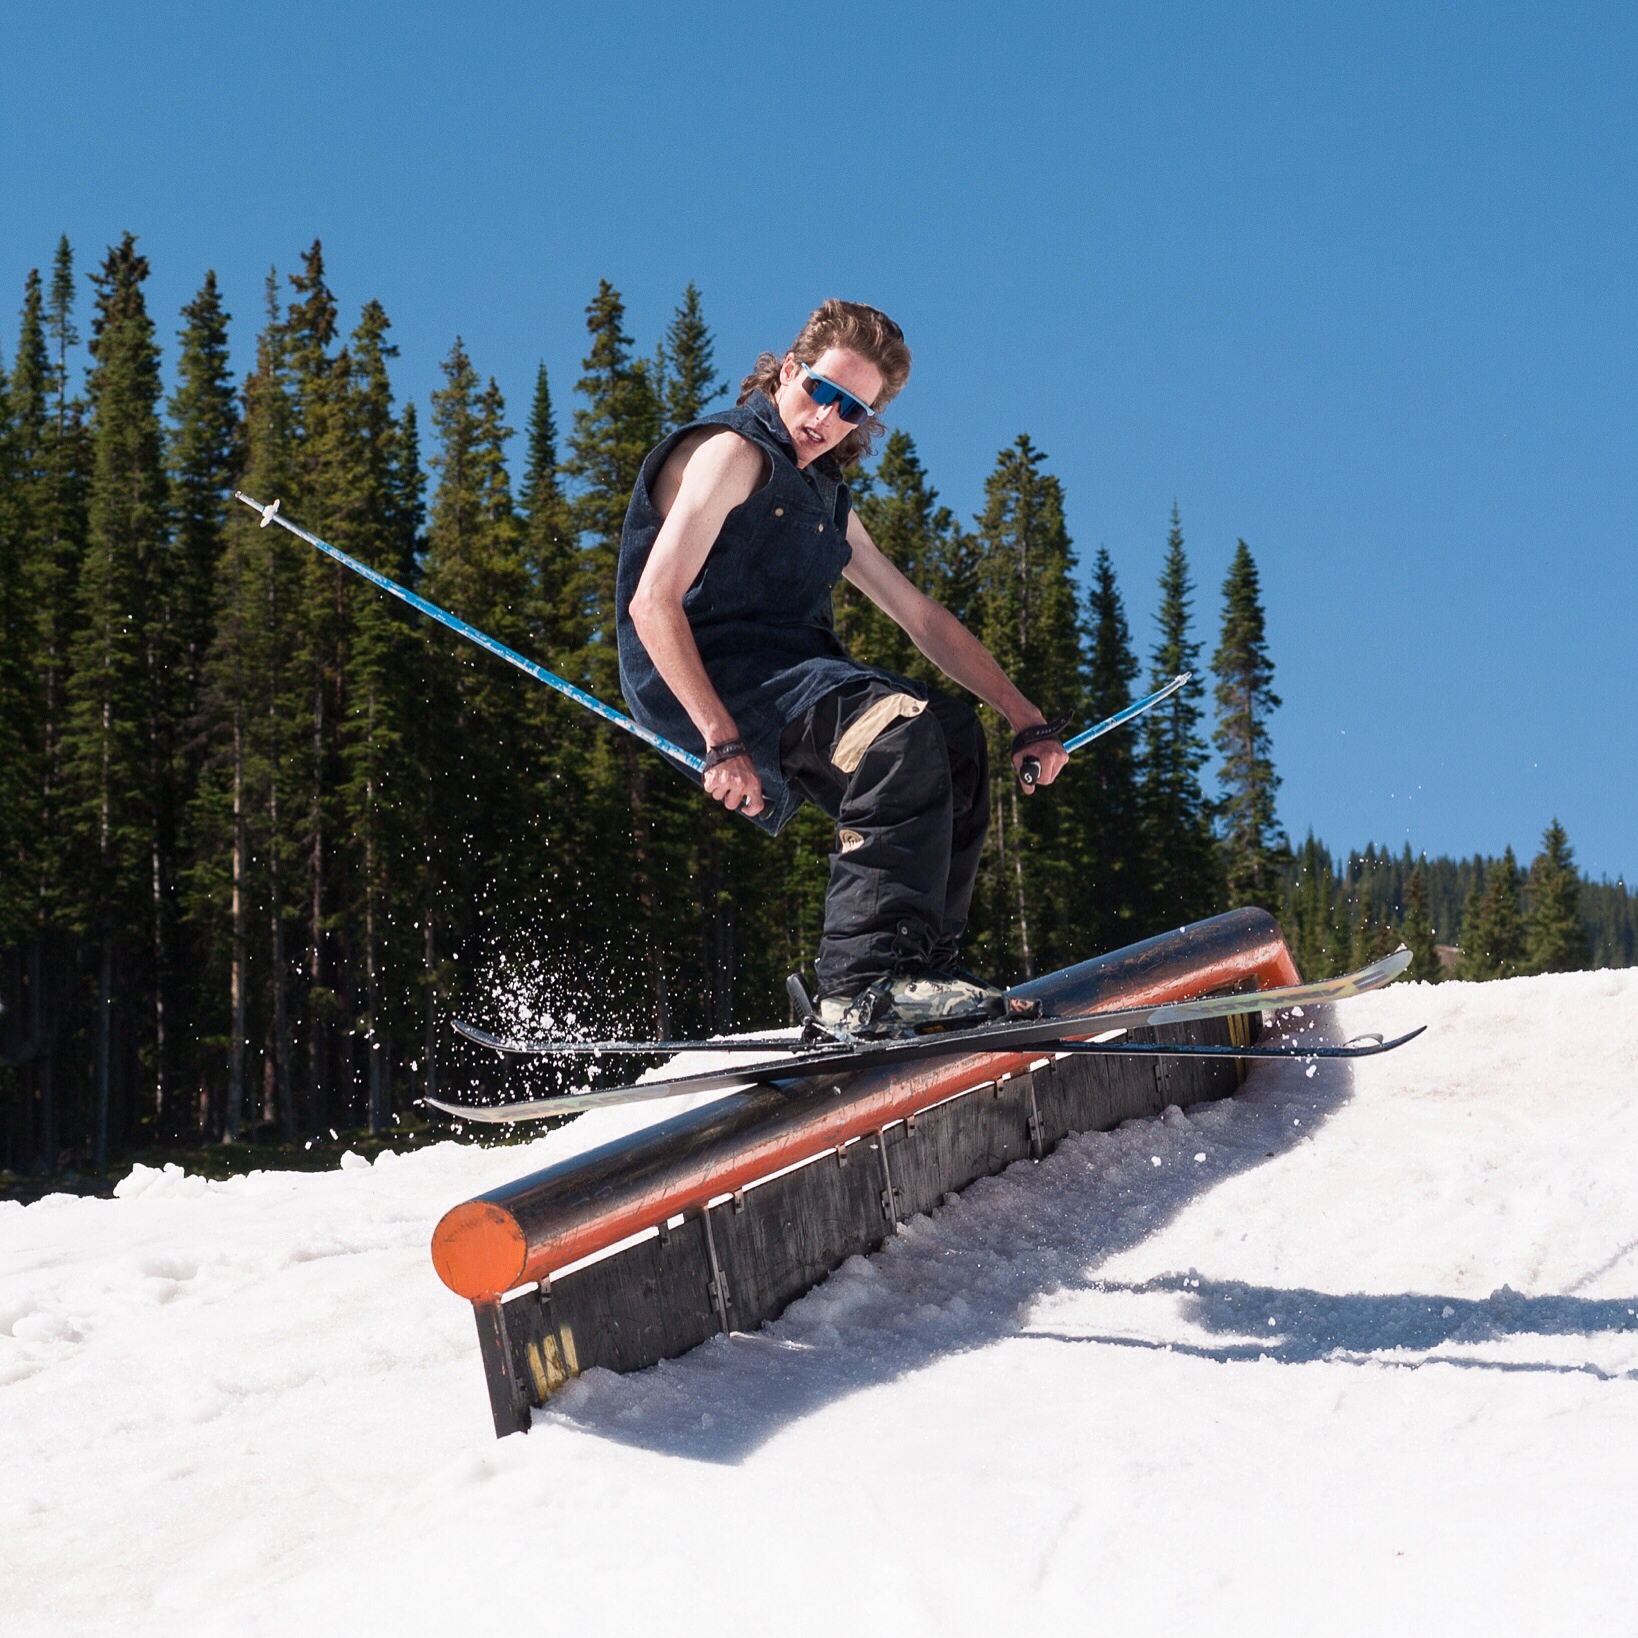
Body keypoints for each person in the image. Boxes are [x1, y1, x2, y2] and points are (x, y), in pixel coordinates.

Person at [617, 300, 1067, 1036]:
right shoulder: (731, 454)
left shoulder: (823, 495)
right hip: (711, 671)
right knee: (894, 738)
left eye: (852, 409)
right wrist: (721, 738)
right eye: (820, 390)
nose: (827, 417)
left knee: (952, 735)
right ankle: (859, 985)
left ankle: (920, 970)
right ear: (788, 370)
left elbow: (919, 616)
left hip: (793, 671)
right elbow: (652, 603)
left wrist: (1024, 717)